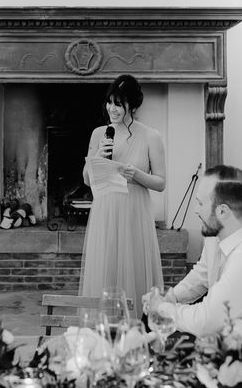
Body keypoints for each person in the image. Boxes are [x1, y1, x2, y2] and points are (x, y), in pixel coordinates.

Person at [145, 165, 242, 337]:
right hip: (231, 342)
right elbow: (202, 274)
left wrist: (161, 308)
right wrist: (170, 297)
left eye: (200, 203)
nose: (196, 210)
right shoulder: (216, 236)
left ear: (222, 211)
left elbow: (206, 322)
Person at [79, 74, 165, 318]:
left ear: (133, 106)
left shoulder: (151, 136)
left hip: (134, 211)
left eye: (118, 104)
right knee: (107, 269)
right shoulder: (99, 134)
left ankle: (138, 328)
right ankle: (105, 328)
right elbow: (86, 179)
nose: (111, 109)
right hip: (106, 210)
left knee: (134, 267)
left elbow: (160, 183)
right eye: (109, 102)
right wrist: (97, 155)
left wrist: (136, 173)